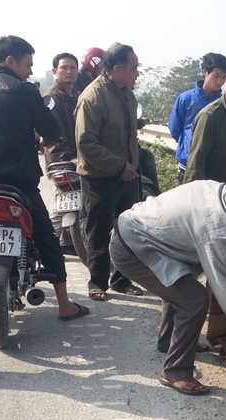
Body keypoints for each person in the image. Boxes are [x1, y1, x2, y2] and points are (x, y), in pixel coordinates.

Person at [0, 36, 89, 322]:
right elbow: (52, 131)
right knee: (45, 238)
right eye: (27, 65)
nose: (30, 72)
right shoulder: (26, 92)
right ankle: (64, 304)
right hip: (19, 185)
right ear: (10, 61)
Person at [110, 172, 226, 395]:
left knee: (180, 286)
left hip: (138, 231)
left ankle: (169, 341)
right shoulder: (219, 230)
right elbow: (225, 290)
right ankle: (176, 371)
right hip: (132, 248)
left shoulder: (219, 191)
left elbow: (209, 234)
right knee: (193, 299)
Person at [75, 43, 144, 301]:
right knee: (99, 231)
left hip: (127, 175)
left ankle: (122, 280)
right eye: (134, 68)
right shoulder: (92, 97)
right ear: (117, 69)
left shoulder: (127, 94)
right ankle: (97, 282)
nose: (137, 73)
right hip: (99, 177)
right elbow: (86, 143)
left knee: (127, 231)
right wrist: (119, 166)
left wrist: (131, 166)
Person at [169, 52, 226, 185]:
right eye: (216, 76)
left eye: (224, 78)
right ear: (205, 72)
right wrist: (188, 145)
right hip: (187, 163)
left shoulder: (224, 103)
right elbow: (175, 129)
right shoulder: (186, 98)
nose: (220, 81)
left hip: (213, 165)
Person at [41, 52, 80, 254]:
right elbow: (53, 135)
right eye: (64, 67)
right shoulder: (51, 98)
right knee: (62, 206)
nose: (69, 71)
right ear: (55, 71)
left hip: (78, 159)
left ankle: (67, 243)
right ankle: (43, 248)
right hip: (60, 161)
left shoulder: (77, 96)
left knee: (74, 203)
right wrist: (67, 158)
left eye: (72, 67)